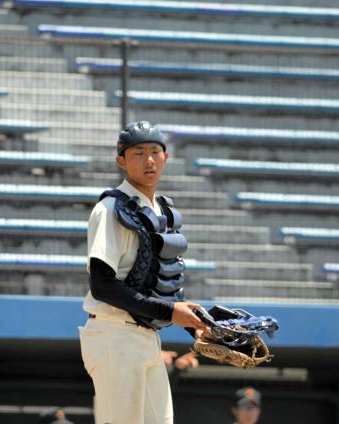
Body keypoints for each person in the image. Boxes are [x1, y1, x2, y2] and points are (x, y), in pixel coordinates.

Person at [78, 121, 208, 424]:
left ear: (165, 157)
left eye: (154, 151)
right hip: (114, 336)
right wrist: (170, 312)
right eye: (138, 153)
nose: (148, 160)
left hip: (147, 337)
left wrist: (195, 327)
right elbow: (102, 285)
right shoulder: (110, 209)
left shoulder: (161, 210)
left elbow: (160, 281)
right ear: (121, 161)